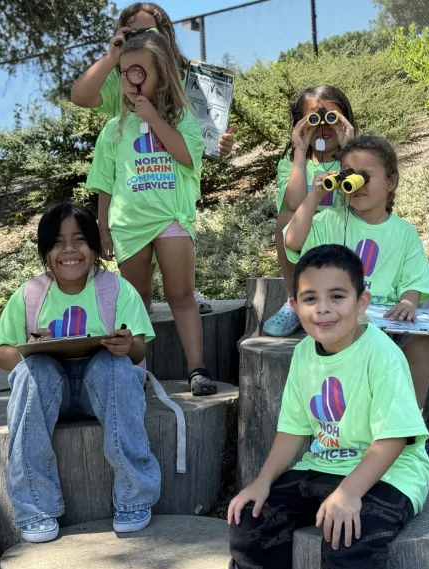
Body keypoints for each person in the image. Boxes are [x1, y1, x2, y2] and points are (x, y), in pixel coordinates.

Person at [229, 244, 429, 569]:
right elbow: (293, 429)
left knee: (348, 542)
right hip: (323, 466)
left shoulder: (382, 354)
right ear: (294, 305)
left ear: (362, 303)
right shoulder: (305, 353)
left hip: (390, 474)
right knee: (252, 522)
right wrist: (262, 481)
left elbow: (393, 440)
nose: (322, 309)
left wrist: (351, 492)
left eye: (337, 296)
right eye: (310, 298)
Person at [0, 202, 159, 543]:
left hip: (103, 388)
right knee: (31, 371)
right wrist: (28, 346)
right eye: (57, 242)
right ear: (45, 252)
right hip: (53, 393)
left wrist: (126, 345)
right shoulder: (30, 294)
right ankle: (34, 506)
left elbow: (139, 349)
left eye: (79, 240)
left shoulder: (117, 289)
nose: (69, 250)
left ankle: (134, 496)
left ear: (95, 247)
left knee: (116, 366)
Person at [71, 2, 236, 314]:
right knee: (138, 277)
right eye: (130, 32)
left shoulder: (192, 75)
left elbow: (208, 133)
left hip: (176, 177)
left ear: (166, 34)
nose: (137, 37)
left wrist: (222, 144)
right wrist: (112, 56)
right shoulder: (121, 76)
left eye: (146, 31)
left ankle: (186, 292)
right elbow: (80, 96)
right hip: (135, 182)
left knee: (176, 243)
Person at [85, 32, 218, 396]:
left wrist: (155, 119)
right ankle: (137, 372)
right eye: (125, 72)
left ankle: (197, 370)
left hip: (170, 219)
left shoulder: (185, 120)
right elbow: (104, 182)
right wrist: (103, 226)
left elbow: (187, 156)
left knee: (181, 295)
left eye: (140, 71)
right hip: (129, 225)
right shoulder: (113, 129)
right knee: (136, 300)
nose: (131, 80)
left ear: (161, 73)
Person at [284, 134, 429, 412]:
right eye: (350, 175)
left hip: (385, 318)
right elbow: (292, 242)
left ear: (391, 182)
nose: (358, 184)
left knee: (423, 344)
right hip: (343, 315)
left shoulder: (404, 232)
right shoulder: (330, 221)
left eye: (366, 176)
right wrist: (315, 195)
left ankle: (410, 426)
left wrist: (407, 303)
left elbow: (413, 280)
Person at [262, 85, 356, 337]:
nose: (324, 127)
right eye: (314, 119)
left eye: (332, 118)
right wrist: (301, 151)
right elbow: (293, 203)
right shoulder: (291, 162)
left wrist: (350, 149)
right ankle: (295, 299)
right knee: (285, 218)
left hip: (345, 234)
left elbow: (359, 199)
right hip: (307, 238)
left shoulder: (358, 157)